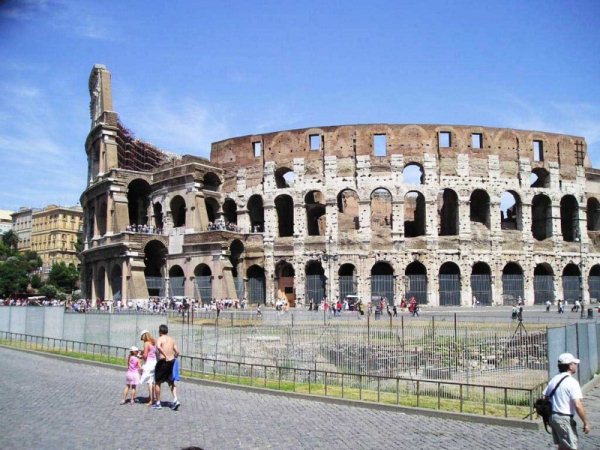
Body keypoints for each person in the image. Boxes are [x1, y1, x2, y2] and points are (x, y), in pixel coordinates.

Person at [543, 353, 591, 449]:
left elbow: (545, 396)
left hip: (553, 417)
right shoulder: (572, 382)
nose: (576, 365)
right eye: (574, 363)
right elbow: (578, 405)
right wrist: (586, 422)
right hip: (564, 419)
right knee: (571, 447)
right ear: (570, 366)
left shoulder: (554, 379)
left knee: (562, 446)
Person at [153, 324, 180, 411]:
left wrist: (165, 355)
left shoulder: (160, 339)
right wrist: (173, 357)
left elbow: (158, 346)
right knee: (171, 382)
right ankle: (175, 399)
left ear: (160, 331)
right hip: (171, 362)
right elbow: (177, 352)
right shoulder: (172, 339)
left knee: (157, 382)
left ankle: (158, 403)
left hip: (163, 361)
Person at [139, 329, 157, 406]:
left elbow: (145, 356)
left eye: (142, 337)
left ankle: (151, 400)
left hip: (149, 363)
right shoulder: (153, 342)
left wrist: (140, 356)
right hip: (154, 362)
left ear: (144, 336)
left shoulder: (146, 343)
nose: (142, 339)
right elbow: (151, 352)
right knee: (151, 380)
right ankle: (151, 397)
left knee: (149, 382)